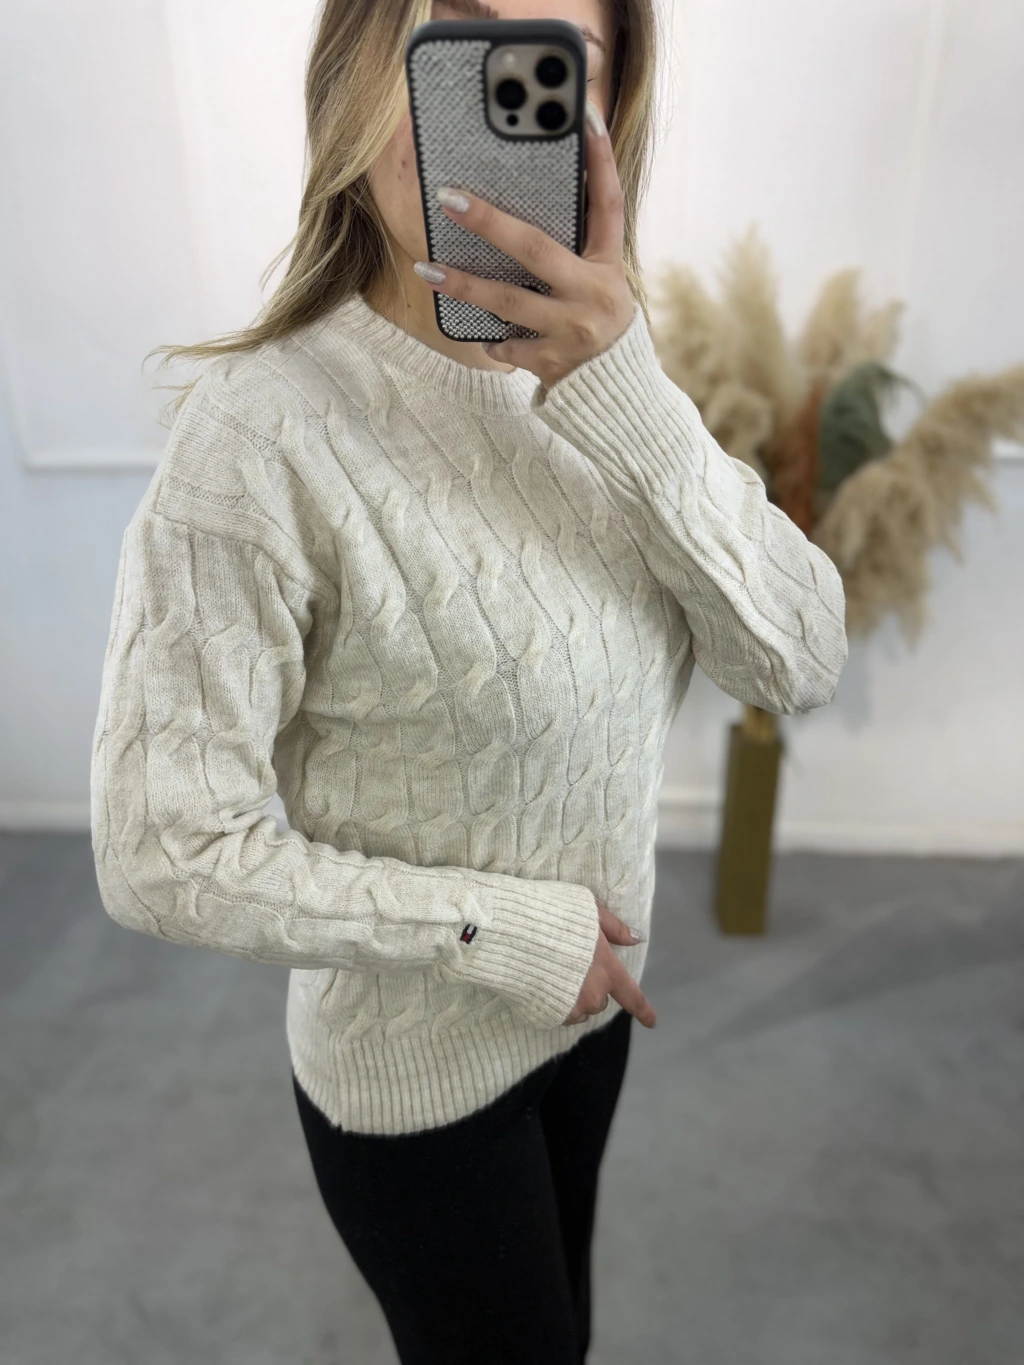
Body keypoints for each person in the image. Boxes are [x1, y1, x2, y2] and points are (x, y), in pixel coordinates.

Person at [89, 0, 849, 1360]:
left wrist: (629, 391)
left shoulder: (618, 394)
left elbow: (796, 656)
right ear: (357, 71)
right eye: (456, 41)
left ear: (602, 118)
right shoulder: (257, 436)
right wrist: (501, 934)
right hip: (416, 1083)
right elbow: (163, 848)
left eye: (551, 68)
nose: (493, 112)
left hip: (593, 1019)